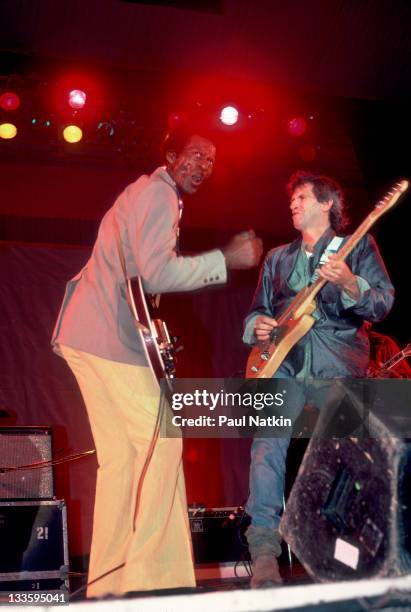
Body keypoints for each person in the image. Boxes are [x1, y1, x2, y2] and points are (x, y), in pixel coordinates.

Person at [51, 123, 263, 598]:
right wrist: (225, 258)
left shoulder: (142, 193)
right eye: (195, 154)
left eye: (211, 159)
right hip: (108, 339)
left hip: (86, 334)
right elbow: (157, 272)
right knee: (161, 444)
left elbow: (136, 276)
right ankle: (151, 581)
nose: (203, 166)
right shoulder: (158, 195)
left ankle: (110, 579)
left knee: (123, 461)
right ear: (170, 155)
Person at [242, 171, 394, 587]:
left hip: (338, 365)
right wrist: (257, 326)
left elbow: (382, 303)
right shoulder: (277, 258)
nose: (293, 203)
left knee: (346, 458)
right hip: (284, 366)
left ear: (327, 204)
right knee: (265, 448)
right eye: (291, 198)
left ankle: (347, 551)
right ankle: (264, 554)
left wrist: (350, 283)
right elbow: (257, 310)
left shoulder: (357, 246)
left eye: (302, 197)